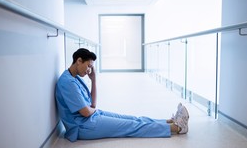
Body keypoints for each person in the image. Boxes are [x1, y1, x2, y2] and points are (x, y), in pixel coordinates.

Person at [55, 48, 189, 142]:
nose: (89, 70)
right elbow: (85, 111)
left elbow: (92, 105)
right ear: (79, 61)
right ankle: (177, 128)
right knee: (132, 127)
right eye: (88, 66)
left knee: (133, 119)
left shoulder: (75, 78)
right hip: (83, 127)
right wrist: (94, 110)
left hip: (92, 116)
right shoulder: (67, 82)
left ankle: (169, 121)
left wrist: (93, 79)